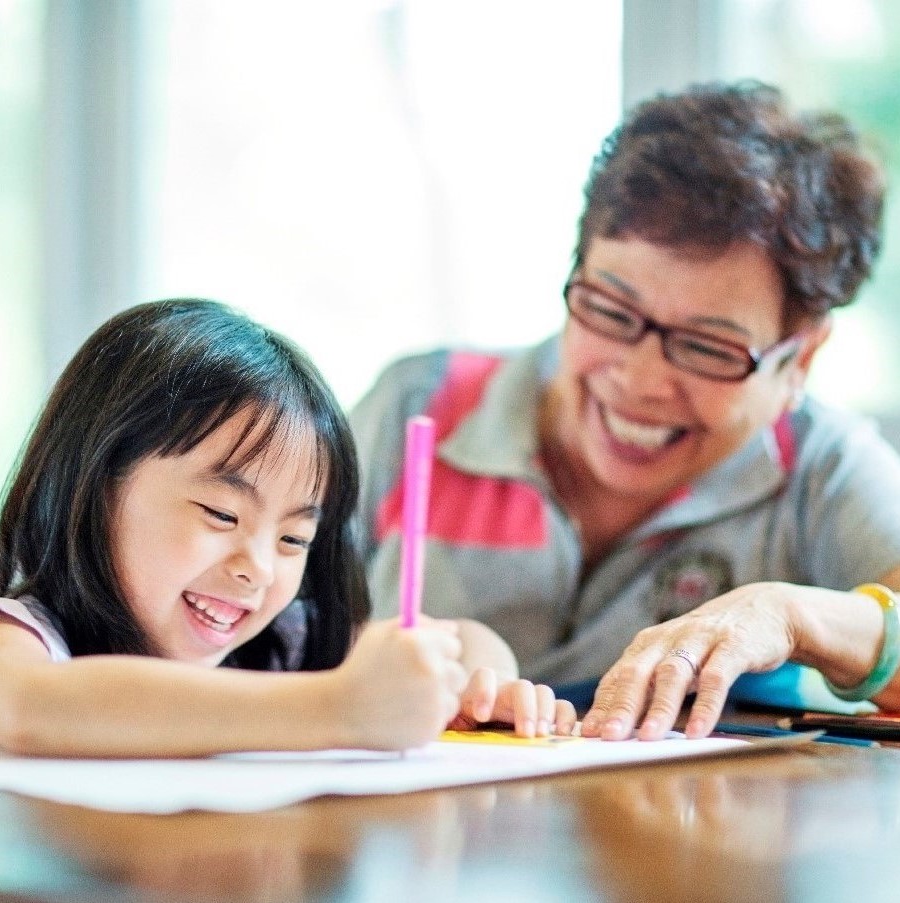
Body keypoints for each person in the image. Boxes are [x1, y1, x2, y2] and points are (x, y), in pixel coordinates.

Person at [350, 80, 900, 741]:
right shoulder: (418, 407)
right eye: (611, 310)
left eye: (707, 347)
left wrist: (789, 616)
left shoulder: (818, 468)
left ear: (800, 360)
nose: (640, 380)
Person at [0, 299, 575, 758]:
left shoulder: (277, 645)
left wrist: (474, 684)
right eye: (221, 514)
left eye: (293, 539)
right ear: (94, 483)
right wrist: (340, 708)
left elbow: (466, 639)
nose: (259, 568)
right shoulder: (20, 634)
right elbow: (26, 706)